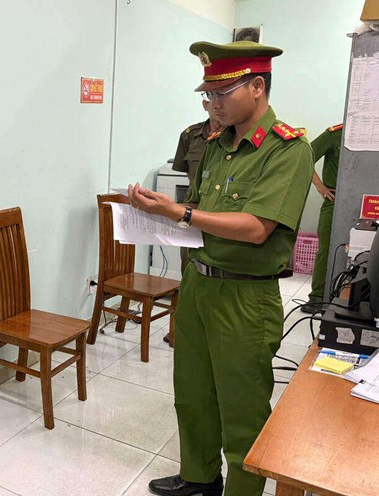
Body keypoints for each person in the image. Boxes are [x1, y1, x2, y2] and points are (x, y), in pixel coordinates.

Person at [127, 41, 313, 496]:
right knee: (193, 394)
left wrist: (182, 215)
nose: (213, 103)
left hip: (245, 299)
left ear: (257, 86)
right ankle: (199, 477)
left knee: (242, 409)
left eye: (222, 93)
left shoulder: (287, 148)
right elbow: (201, 206)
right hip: (198, 286)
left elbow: (255, 227)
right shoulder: (216, 143)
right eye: (207, 94)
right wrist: (163, 210)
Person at [165, 99, 224, 344]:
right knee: (188, 272)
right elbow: (184, 173)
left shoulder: (237, 138)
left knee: (218, 276)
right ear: (205, 104)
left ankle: (213, 333)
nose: (220, 106)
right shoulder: (190, 136)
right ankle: (182, 331)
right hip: (191, 215)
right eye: (214, 100)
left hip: (221, 218)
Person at [301, 123, 343, 313]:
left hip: (370, 203)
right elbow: (303, 157)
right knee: (326, 249)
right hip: (334, 201)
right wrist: (319, 186)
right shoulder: (335, 134)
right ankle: (317, 297)